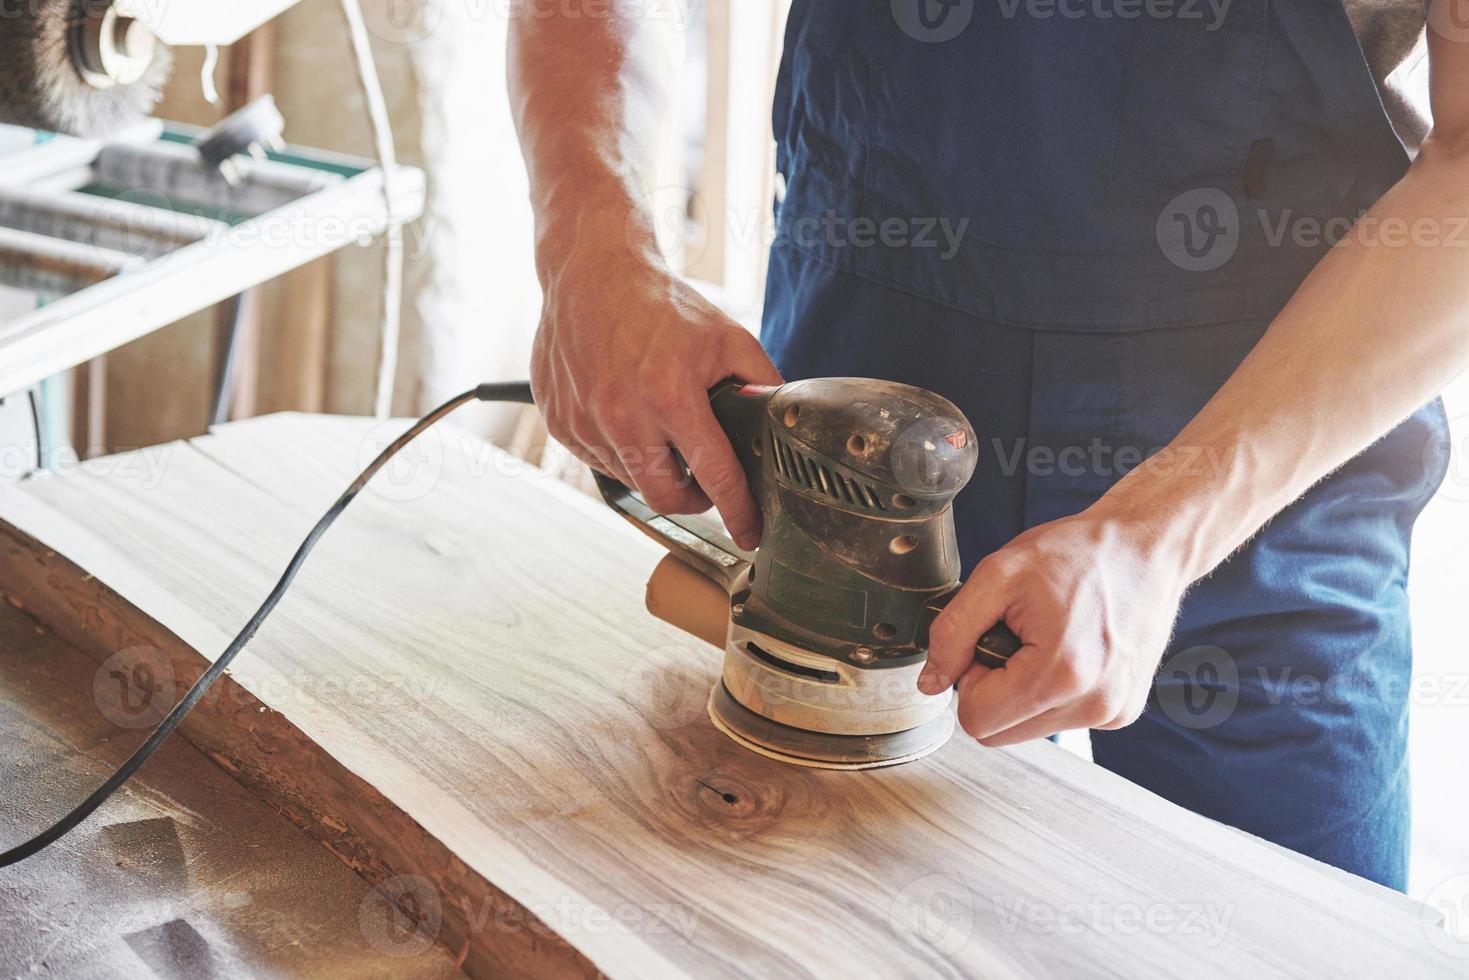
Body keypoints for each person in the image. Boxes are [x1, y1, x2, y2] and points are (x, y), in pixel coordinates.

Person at [509, 0, 1467, 890]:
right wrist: (590, 235)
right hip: (856, 429)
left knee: (1284, 934)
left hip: (1265, 455)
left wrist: (1158, 534)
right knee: (799, 913)